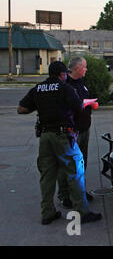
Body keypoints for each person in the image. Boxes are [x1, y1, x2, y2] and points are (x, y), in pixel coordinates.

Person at [17, 61, 101, 225]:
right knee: (75, 171)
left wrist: (40, 106)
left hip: (45, 136)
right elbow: (78, 107)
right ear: (62, 74)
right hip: (62, 135)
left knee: (47, 175)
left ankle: (47, 213)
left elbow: (21, 108)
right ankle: (82, 212)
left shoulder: (38, 89)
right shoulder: (65, 88)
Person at [57, 57, 97, 208]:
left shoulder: (81, 83)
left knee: (81, 163)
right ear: (78, 68)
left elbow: (83, 100)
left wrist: (91, 104)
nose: (86, 69)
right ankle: (65, 195)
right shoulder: (65, 84)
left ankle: (80, 191)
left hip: (84, 129)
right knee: (67, 164)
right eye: (85, 67)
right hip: (71, 131)